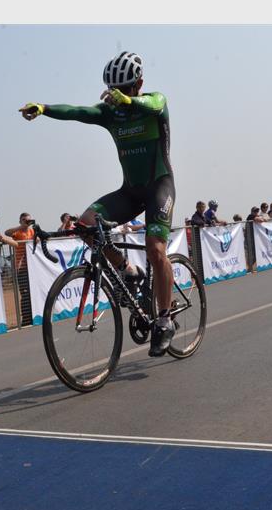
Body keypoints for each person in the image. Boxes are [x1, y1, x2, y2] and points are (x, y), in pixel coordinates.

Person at [19, 51, 179, 356]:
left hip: (160, 187)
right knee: (85, 225)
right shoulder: (110, 114)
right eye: (113, 89)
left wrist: (130, 101)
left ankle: (164, 319)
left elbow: (154, 103)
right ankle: (127, 269)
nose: (117, 95)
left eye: (124, 89)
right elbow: (76, 111)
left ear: (139, 84)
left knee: (155, 249)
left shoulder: (154, 102)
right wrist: (44, 108)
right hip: (130, 192)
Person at [5, 212, 37, 326]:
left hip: (32, 267)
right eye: (24, 220)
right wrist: (21, 226)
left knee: (33, 293)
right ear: (20, 221)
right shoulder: (17, 232)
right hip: (21, 268)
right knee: (25, 294)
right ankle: (26, 320)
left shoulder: (32, 231)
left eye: (28, 220)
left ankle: (34, 316)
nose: (27, 222)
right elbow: (7, 233)